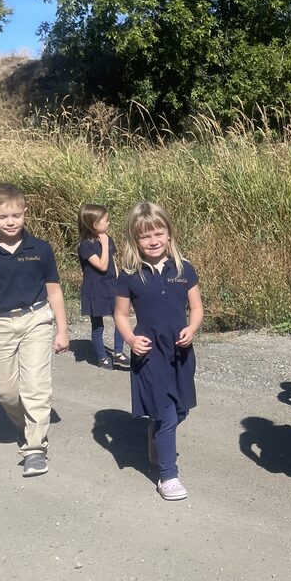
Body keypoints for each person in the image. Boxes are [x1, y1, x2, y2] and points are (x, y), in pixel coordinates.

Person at [0, 182, 69, 477]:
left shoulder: (40, 249)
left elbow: (54, 291)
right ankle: (24, 425)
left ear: (25, 213)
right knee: (6, 392)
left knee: (36, 387)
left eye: (16, 215)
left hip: (36, 320)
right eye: (2, 216)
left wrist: (62, 329)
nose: (10, 222)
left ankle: (35, 448)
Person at [114, 202, 203, 501]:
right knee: (166, 414)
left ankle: (156, 434)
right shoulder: (129, 274)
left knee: (180, 410)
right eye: (145, 236)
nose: (153, 241)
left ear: (169, 233)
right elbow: (120, 314)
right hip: (149, 353)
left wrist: (192, 328)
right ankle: (168, 475)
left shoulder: (184, 268)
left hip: (180, 351)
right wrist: (130, 338)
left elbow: (196, 307)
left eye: (158, 233)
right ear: (134, 239)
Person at [77, 203, 127, 370]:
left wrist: (119, 281)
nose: (108, 223)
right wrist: (104, 245)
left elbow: (112, 263)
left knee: (120, 317)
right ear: (94, 224)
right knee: (98, 325)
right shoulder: (85, 245)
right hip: (95, 288)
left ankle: (118, 352)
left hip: (111, 285)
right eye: (105, 220)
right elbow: (102, 266)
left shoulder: (108, 239)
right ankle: (102, 357)